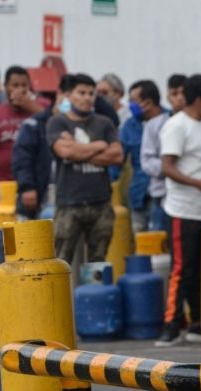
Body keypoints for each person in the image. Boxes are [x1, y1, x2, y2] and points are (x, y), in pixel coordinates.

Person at [155, 74, 201, 347]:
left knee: (198, 270)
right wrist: (198, 184)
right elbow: (167, 167)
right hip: (183, 209)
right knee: (181, 269)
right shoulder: (177, 126)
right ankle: (170, 324)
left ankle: (197, 322)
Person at [46, 73, 123, 262]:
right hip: (69, 203)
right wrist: (99, 146)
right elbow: (65, 152)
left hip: (101, 202)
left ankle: (93, 292)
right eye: (81, 92)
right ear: (69, 95)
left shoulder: (104, 122)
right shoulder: (57, 121)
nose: (87, 97)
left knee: (98, 261)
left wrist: (77, 150)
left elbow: (117, 155)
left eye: (91, 93)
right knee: (61, 259)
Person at [0, 66, 43, 207]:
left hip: (38, 184)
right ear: (5, 87)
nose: (20, 89)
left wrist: (32, 107)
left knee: (36, 228)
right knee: (8, 226)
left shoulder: (41, 108)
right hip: (5, 186)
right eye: (15, 85)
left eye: (24, 85)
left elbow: (56, 125)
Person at [13, 75, 72, 219]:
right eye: (67, 95)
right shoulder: (34, 124)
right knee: (28, 239)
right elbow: (22, 160)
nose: (71, 101)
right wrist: (27, 187)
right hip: (36, 198)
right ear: (59, 93)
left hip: (68, 201)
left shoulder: (80, 125)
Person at [139, 74, 185, 233]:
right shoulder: (154, 125)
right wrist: (173, 169)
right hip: (161, 196)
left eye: (182, 93)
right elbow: (146, 161)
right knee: (159, 251)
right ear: (168, 96)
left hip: (190, 197)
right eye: (174, 93)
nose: (179, 98)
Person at [118, 80, 165, 233]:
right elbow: (118, 158)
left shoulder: (170, 122)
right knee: (141, 241)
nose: (130, 105)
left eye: (133, 101)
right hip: (139, 195)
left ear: (148, 102)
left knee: (160, 244)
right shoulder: (130, 125)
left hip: (164, 196)